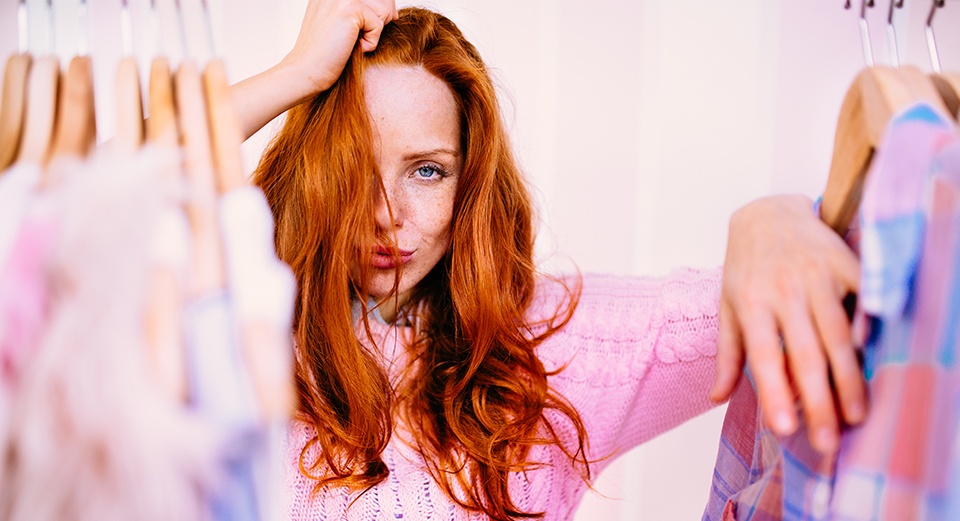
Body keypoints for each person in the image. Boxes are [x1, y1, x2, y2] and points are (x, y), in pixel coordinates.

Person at [230, 1, 865, 519]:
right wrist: (296, 75)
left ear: (469, 183)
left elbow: (797, 288)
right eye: (354, 169)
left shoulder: (548, 343)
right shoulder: (237, 334)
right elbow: (157, 187)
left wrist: (772, 219)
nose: (385, 213)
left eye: (427, 171)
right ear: (311, 175)